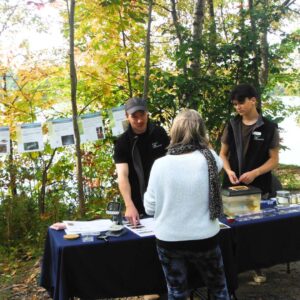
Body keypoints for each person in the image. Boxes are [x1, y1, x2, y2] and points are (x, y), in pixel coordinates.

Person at [144, 109, 230, 300]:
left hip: (169, 239)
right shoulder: (210, 159)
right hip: (205, 236)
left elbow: (150, 208)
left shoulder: (160, 164)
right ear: (201, 132)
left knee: (176, 292)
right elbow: (213, 155)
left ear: (173, 133)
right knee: (218, 289)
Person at [219, 83, 280, 283]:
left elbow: (274, 159)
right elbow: (223, 154)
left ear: (253, 100)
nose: (238, 107)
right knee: (231, 225)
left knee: (255, 227)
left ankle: (257, 267)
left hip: (258, 186)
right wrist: (228, 171)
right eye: (235, 104)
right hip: (232, 185)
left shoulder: (269, 127)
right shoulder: (231, 125)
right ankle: (232, 268)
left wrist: (255, 173)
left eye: (241, 102)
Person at [113, 97, 169, 227]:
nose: (139, 120)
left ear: (147, 113)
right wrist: (129, 205)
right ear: (127, 116)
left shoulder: (159, 133)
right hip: (138, 201)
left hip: (164, 197)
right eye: (134, 116)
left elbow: (171, 164)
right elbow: (122, 175)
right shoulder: (122, 142)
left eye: (142, 114)